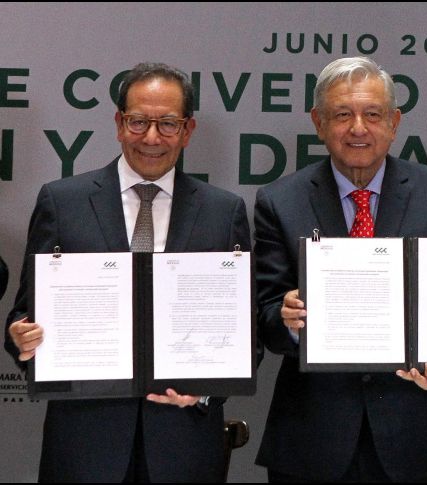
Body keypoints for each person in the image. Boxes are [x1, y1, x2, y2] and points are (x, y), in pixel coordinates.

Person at [4, 62, 252, 482]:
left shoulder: (223, 212)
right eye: (139, 121)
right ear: (120, 123)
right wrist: (21, 338)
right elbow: (23, 314)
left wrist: (208, 387)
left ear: (187, 130)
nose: (152, 137)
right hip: (85, 440)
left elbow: (245, 334)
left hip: (184, 444)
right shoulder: (62, 202)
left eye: (168, 124)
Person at [253, 57, 427, 482]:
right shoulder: (280, 201)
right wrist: (288, 319)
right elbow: (264, 318)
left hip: (418, 426)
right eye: (342, 115)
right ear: (318, 123)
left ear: (393, 122)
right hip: (314, 434)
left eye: (372, 114)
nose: (358, 128)